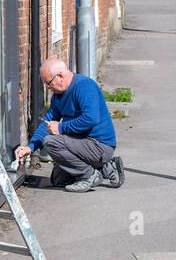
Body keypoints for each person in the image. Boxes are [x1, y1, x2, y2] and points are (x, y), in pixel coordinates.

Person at [13, 59, 123, 193]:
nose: (49, 88)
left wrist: (61, 128)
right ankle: (103, 167)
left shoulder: (84, 86)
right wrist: (30, 147)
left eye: (48, 83)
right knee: (58, 180)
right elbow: (47, 122)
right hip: (80, 144)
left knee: (50, 142)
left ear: (60, 76)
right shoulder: (58, 96)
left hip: (100, 145)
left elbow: (91, 119)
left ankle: (89, 175)